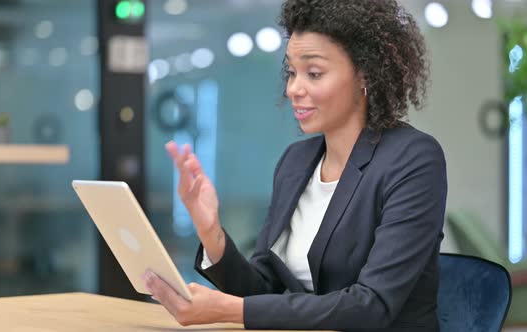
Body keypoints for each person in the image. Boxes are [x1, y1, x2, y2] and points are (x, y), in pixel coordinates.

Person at [141, 0, 447, 330]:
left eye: (313, 73)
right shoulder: (295, 162)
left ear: (365, 74)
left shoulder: (413, 159)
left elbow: (370, 306)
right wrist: (211, 231)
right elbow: (261, 290)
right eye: (291, 72)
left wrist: (230, 311)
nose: (293, 89)